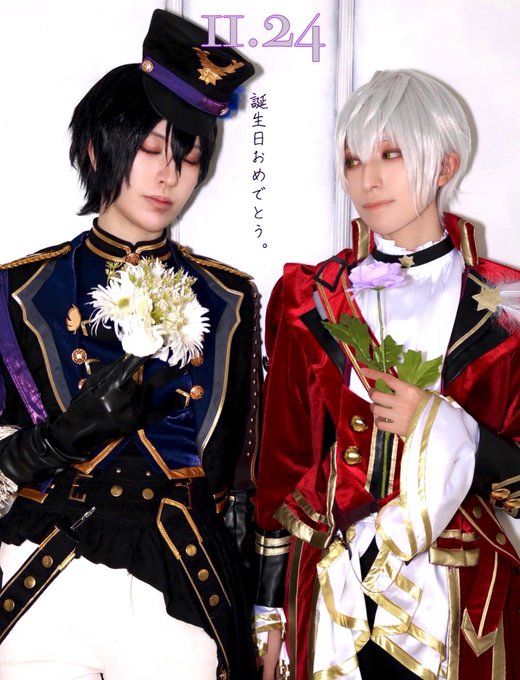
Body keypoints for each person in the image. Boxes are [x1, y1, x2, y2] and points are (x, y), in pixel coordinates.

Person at [0, 9, 260, 680]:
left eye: (190, 157)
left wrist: (265, 609)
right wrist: (58, 440)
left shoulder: (229, 299)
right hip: (46, 573)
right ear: (96, 150)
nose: (169, 175)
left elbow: (241, 482)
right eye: (149, 149)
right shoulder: (20, 292)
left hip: (180, 579)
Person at [253, 69, 520, 679]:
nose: (367, 179)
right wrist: (268, 613)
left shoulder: (508, 307)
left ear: (446, 164)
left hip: (460, 606)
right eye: (353, 160)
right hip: (332, 596)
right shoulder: (308, 299)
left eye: (391, 154)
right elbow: (282, 468)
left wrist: (447, 426)